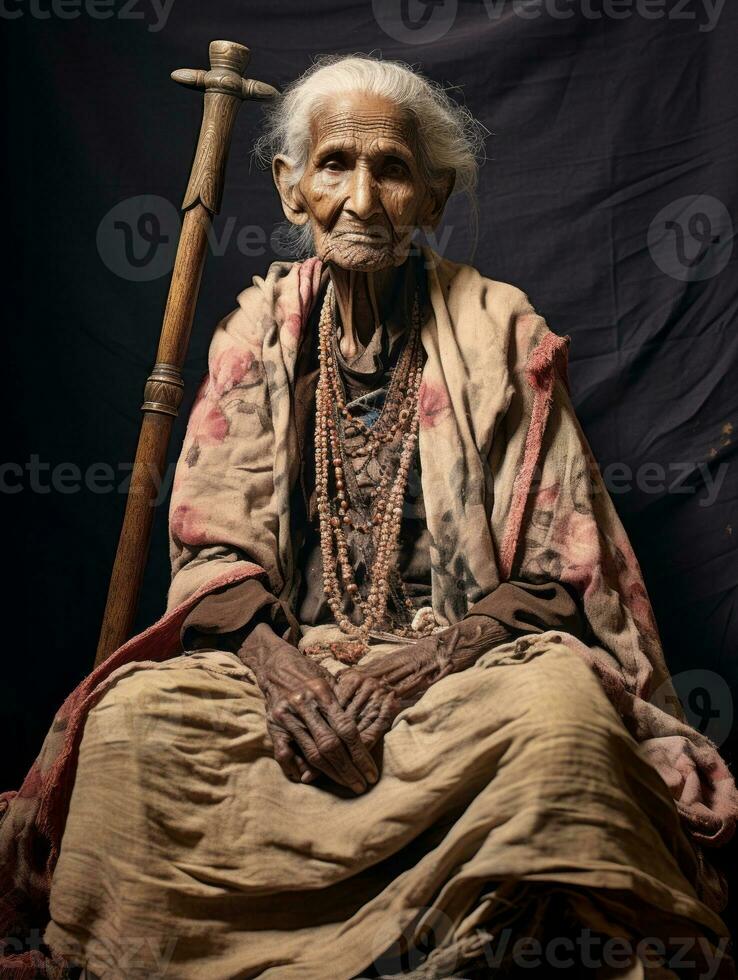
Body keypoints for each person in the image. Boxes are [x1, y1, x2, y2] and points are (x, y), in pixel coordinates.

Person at [2, 54, 737, 979]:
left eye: (391, 169)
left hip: (467, 666)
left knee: (562, 720)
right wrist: (283, 675)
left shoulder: (499, 327)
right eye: (335, 165)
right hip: (293, 666)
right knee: (134, 726)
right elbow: (212, 549)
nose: (362, 197)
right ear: (292, 187)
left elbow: (559, 565)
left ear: (431, 197)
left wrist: (420, 663)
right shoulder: (254, 332)